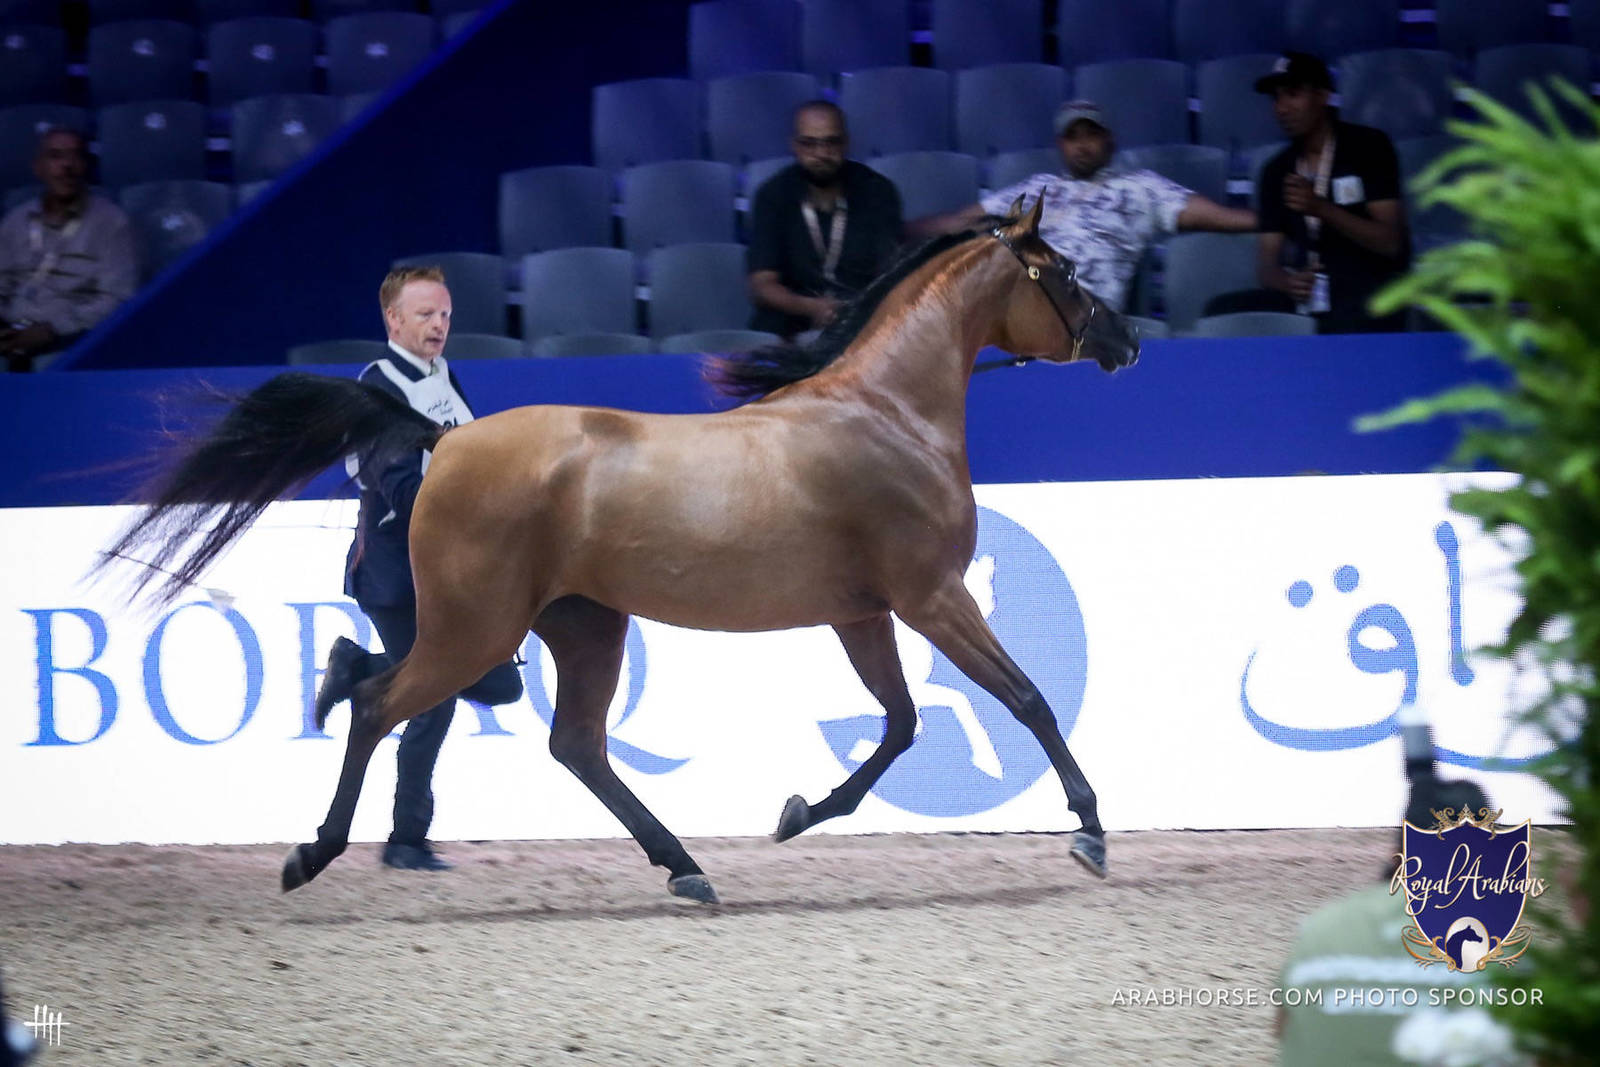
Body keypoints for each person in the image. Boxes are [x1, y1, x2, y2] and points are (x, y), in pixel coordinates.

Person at [314, 265, 523, 872]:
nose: (440, 326)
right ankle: (406, 839)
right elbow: (403, 488)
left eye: (446, 315)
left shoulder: (441, 377)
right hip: (396, 568)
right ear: (393, 319)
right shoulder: (377, 390)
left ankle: (358, 668)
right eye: (427, 315)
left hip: (450, 564)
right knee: (431, 697)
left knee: (500, 685)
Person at [908, 100, 1256, 312]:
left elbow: (1218, 217)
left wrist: (1276, 219)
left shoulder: (1140, 188)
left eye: (1091, 134)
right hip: (1016, 303)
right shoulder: (1037, 188)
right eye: (1072, 137)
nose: (1082, 146)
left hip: (1084, 315)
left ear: (1109, 140)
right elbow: (960, 219)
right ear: (1060, 145)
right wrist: (893, 229)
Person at [1253, 53, 1410, 334]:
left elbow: (1390, 242)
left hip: (1373, 297)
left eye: (1292, 94)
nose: (1282, 108)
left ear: (1323, 95)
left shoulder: (1369, 147)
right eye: (1276, 98)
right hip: (1309, 303)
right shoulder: (1276, 171)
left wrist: (1320, 207)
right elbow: (1267, 265)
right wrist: (1286, 282)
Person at [747, 100, 904, 338]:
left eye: (831, 142)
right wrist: (811, 307)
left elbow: (889, 275)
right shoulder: (773, 196)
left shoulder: (877, 191)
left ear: (846, 143)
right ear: (795, 146)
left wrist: (855, 309)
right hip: (795, 312)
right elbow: (762, 285)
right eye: (809, 143)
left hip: (861, 310)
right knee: (769, 328)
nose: (821, 153)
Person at [0, 127, 138, 371]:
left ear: (85, 166)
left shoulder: (111, 222)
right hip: (11, 331)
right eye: (55, 156)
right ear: (38, 167)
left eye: (75, 156)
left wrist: (53, 328)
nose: (67, 165)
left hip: (70, 339)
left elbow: (117, 299)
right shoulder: (16, 221)